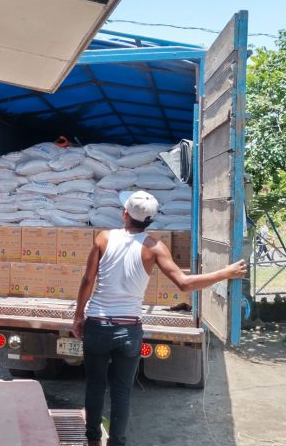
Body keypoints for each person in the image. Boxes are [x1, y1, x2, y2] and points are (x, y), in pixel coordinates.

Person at [72, 190, 247, 446]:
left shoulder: (103, 238)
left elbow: (88, 281)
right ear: (150, 221)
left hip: (97, 325)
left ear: (125, 214)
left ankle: (92, 440)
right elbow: (185, 284)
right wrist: (225, 273)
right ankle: (116, 442)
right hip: (128, 331)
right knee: (122, 391)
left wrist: (78, 317)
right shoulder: (154, 247)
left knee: (95, 385)